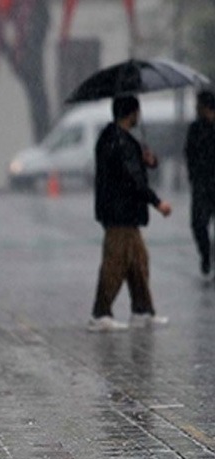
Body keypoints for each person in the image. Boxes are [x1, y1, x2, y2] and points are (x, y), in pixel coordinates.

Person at [90, 95, 172, 332]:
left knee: (138, 262)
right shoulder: (119, 141)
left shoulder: (117, 139)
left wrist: (149, 160)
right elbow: (133, 179)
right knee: (114, 265)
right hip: (119, 213)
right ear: (131, 113)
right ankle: (100, 314)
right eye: (137, 112)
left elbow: (135, 168)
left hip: (123, 213)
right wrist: (158, 203)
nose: (139, 116)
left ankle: (142, 311)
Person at [184, 90, 215, 277]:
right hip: (201, 185)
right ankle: (206, 254)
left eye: (198, 105)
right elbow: (189, 153)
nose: (195, 108)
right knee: (198, 224)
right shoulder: (195, 128)